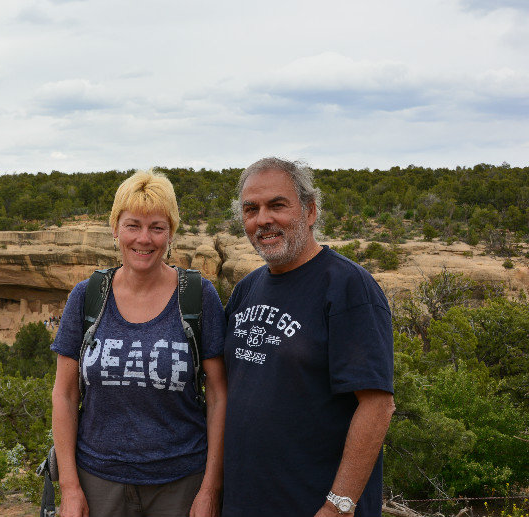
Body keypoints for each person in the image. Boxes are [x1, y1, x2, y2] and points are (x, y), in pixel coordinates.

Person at [222, 158, 395, 517]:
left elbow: (377, 405)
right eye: (250, 209)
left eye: (277, 205)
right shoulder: (246, 289)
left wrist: (339, 506)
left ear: (311, 210)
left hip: (315, 507)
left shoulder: (348, 287)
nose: (263, 219)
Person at [51, 169, 227, 517]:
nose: (144, 239)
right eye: (133, 225)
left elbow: (219, 395)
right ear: (115, 229)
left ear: (171, 234)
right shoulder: (87, 297)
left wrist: (211, 487)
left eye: (157, 228)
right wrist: (70, 488)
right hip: (99, 479)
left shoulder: (197, 296)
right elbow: (65, 393)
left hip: (180, 481)